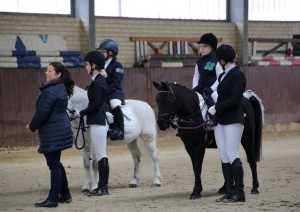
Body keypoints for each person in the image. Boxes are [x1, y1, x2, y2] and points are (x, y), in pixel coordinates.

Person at [26, 62, 75, 208]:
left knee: (53, 164)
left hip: (53, 131)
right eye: (46, 70)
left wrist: (32, 126)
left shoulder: (51, 90)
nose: (46, 72)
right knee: (56, 162)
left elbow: (42, 112)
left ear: (58, 74)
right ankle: (65, 194)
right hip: (58, 129)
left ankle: (53, 198)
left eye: (50, 71)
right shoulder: (58, 87)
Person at [208, 44, 246, 203]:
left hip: (233, 118)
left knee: (232, 154)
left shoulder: (238, 75)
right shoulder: (223, 75)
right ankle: (229, 191)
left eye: (218, 60)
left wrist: (216, 107)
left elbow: (236, 98)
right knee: (224, 155)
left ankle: (240, 192)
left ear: (223, 61)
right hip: (221, 120)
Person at [75, 50, 111, 196]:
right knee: (100, 154)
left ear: (94, 65)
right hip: (97, 121)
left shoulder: (98, 83)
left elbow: (95, 105)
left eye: (87, 64)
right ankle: (101, 186)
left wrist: (81, 113)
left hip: (98, 122)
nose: (85, 67)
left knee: (101, 155)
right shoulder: (97, 81)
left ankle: (103, 187)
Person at [97, 39, 125, 140]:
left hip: (114, 92)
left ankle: (120, 130)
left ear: (110, 53)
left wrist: (104, 92)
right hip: (102, 92)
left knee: (114, 104)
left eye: (102, 51)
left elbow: (116, 82)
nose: (100, 54)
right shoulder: (99, 65)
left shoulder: (117, 65)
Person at [192, 33, 219, 104]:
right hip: (201, 90)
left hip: (214, 90)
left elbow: (220, 78)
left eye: (205, 46)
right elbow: (196, 76)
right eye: (200, 47)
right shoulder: (199, 62)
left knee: (216, 97)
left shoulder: (217, 60)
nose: (202, 49)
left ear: (212, 47)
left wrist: (212, 89)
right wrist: (195, 88)